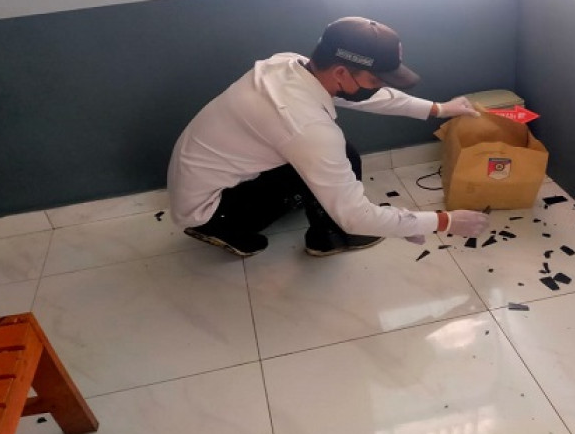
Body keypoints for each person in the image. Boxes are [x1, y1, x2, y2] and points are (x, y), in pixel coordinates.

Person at [167, 16, 490, 257]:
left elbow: (364, 96)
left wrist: (438, 109)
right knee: (337, 160)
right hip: (210, 207)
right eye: (375, 80)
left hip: (205, 176)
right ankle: (324, 238)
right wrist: (442, 221)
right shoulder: (305, 127)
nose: (378, 86)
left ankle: (320, 228)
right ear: (340, 72)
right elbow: (355, 215)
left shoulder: (289, 65)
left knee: (336, 156)